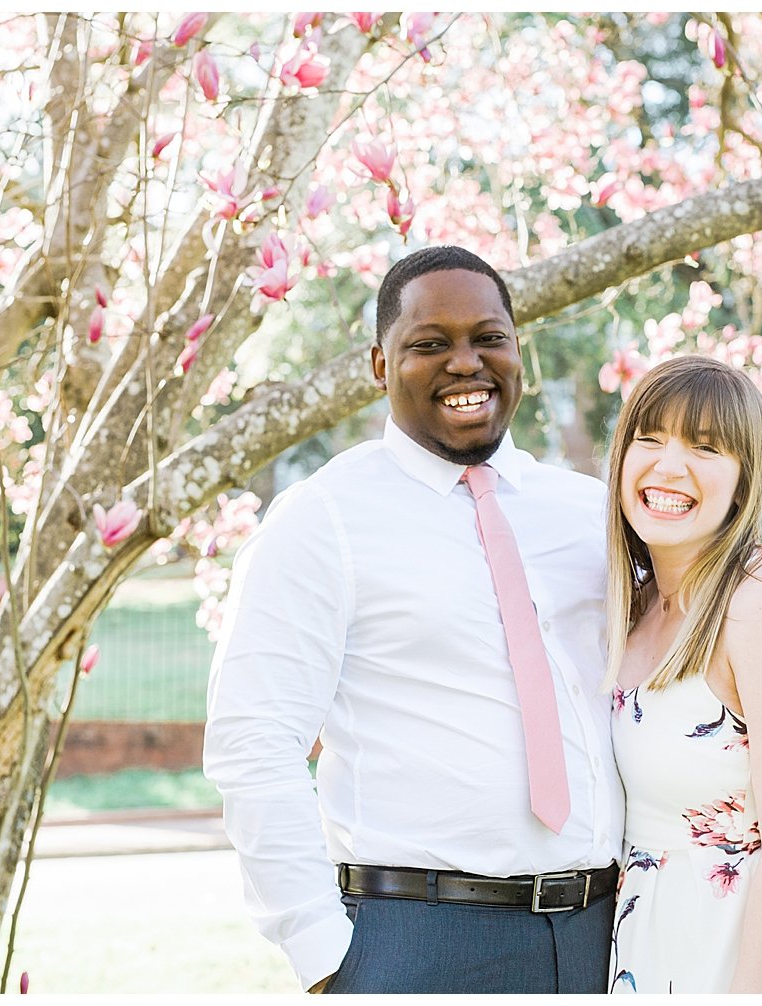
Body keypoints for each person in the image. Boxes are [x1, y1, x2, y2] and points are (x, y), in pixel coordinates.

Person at [203, 246, 624, 994]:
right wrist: (327, 956)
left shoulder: (588, 512)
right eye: (430, 344)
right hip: (417, 939)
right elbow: (254, 741)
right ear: (379, 364)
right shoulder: (322, 521)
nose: (466, 363)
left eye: (488, 337)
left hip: (610, 930)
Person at [603, 354, 762, 994]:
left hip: (744, 967)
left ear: (744, 482)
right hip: (651, 953)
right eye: (651, 438)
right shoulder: (633, 609)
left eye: (705, 447)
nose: (670, 465)